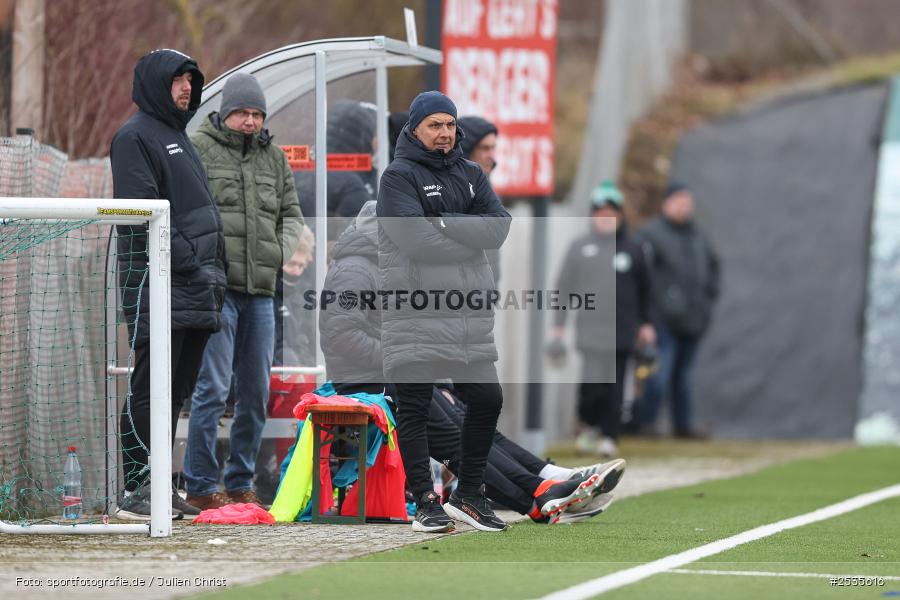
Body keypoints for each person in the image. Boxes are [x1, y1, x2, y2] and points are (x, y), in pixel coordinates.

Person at [319, 202, 625, 525]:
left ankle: (548, 482)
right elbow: (343, 336)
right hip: (366, 382)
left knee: (472, 424)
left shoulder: (385, 265)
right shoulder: (355, 269)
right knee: (456, 437)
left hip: (390, 374)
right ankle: (538, 495)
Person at [377, 91, 512, 533]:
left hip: (466, 313)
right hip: (415, 310)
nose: (445, 133)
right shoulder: (397, 177)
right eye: (435, 125)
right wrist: (467, 233)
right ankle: (424, 501)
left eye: (450, 125)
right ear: (415, 128)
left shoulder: (472, 172)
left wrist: (441, 221)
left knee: (489, 398)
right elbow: (415, 241)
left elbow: (499, 227)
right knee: (413, 406)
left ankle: (470, 494)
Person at [110, 48, 226, 520]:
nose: (187, 88)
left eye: (192, 80)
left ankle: (159, 484)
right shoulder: (134, 137)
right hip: (159, 285)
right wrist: (193, 262)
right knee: (148, 386)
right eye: (178, 79)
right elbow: (143, 216)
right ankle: (136, 488)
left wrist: (213, 268)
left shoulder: (178, 136)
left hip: (196, 287)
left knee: (176, 391)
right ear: (156, 84)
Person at [185, 72, 304, 510]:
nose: (251, 121)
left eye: (257, 114)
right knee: (212, 389)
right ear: (225, 113)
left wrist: (277, 252)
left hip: (261, 293)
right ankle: (199, 484)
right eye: (243, 113)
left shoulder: (274, 158)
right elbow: (186, 211)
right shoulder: (198, 149)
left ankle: (239, 482)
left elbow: (292, 215)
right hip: (216, 291)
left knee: (255, 393)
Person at [550, 181, 655, 458]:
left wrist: (646, 324)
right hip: (589, 331)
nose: (606, 217)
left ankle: (610, 436)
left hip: (622, 331)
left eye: (611, 211)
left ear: (620, 215)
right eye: (600, 212)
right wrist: (558, 327)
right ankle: (588, 427)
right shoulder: (580, 247)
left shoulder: (634, 248)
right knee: (591, 386)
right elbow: (563, 289)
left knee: (615, 386)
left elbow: (646, 290)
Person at [637, 181, 719, 438]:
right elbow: (641, 277)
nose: (684, 207)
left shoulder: (698, 236)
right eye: (679, 201)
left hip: (693, 320)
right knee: (659, 376)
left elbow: (714, 270)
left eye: (688, 202)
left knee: (683, 378)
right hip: (662, 320)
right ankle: (647, 423)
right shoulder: (650, 235)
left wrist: (706, 303)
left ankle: (682, 425)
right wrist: (647, 316)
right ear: (666, 203)